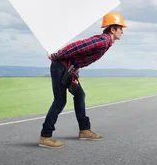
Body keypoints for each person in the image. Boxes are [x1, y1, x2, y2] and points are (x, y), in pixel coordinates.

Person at [38, 12, 127, 149]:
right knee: (60, 101)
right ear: (113, 29)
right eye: (121, 28)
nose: (122, 31)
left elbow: (81, 55)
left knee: (80, 95)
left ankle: (84, 130)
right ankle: (45, 136)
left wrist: (75, 68)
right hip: (61, 67)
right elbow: (78, 46)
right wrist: (56, 56)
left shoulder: (106, 42)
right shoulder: (103, 40)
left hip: (68, 68)